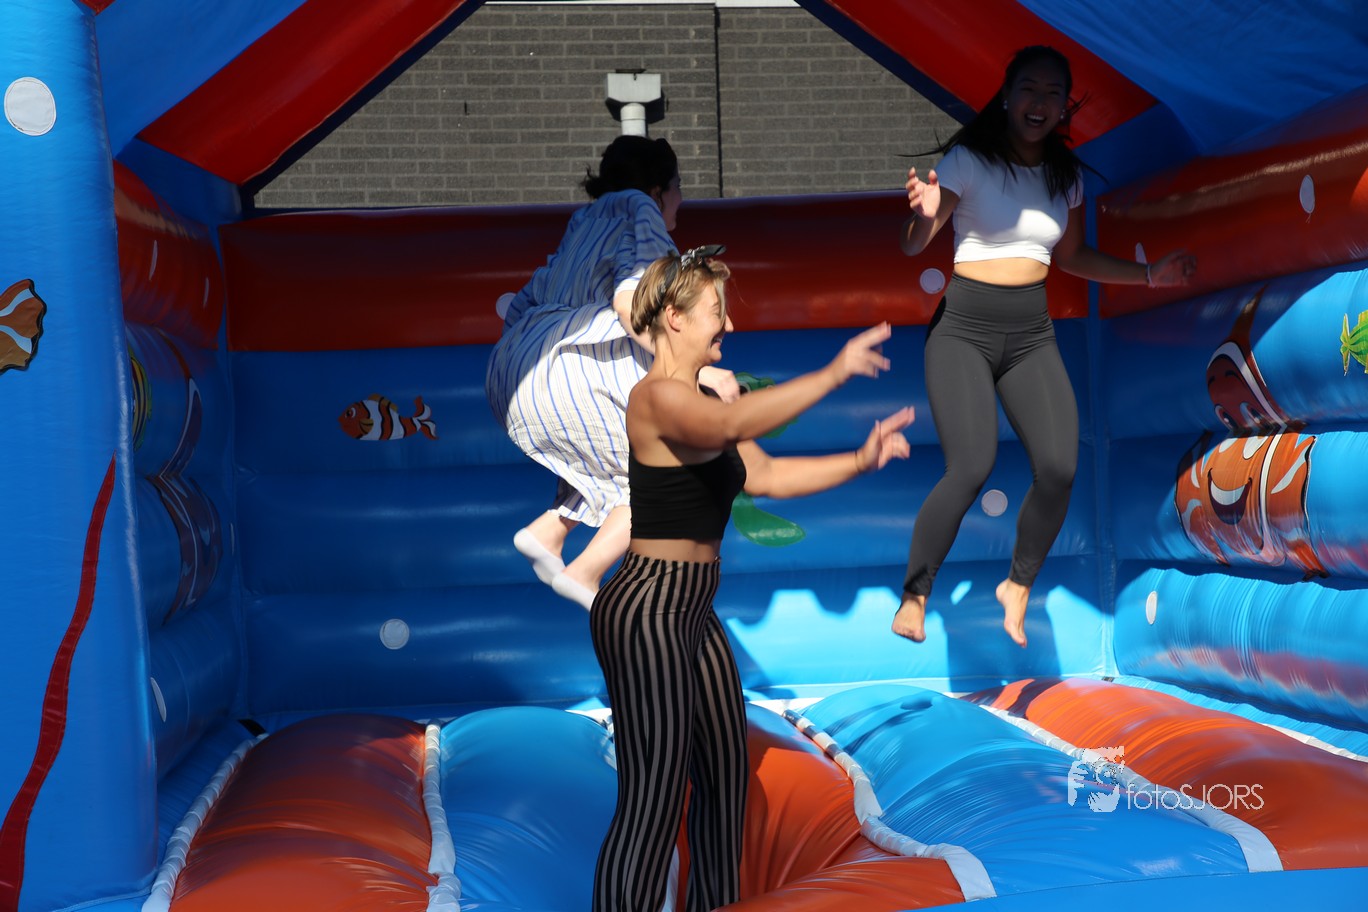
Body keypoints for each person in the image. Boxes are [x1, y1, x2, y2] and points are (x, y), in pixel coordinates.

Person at [590, 245, 914, 912]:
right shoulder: (656, 398)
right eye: (717, 311)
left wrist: (860, 459)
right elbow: (730, 423)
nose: (729, 325)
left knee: (724, 776)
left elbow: (764, 475)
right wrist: (834, 373)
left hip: (691, 609)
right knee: (654, 799)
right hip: (648, 607)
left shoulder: (706, 397)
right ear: (675, 318)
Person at [893, 45, 1195, 649]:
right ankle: (916, 594)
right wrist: (923, 216)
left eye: (1053, 93)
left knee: (1059, 468)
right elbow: (913, 244)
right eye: (1029, 89)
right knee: (971, 465)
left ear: (1064, 108)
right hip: (964, 327)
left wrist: (1147, 275)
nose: (1040, 102)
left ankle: (1018, 584)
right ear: (1007, 96)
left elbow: (1073, 256)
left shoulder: (1066, 176)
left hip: (1029, 330)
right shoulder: (969, 161)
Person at [486, 136, 738, 610]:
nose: (681, 199)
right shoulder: (642, 210)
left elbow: (523, 302)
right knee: (666, 467)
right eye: (678, 187)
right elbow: (629, 301)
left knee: (605, 461)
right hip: (574, 367)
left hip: (516, 369)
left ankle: (549, 532)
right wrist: (699, 374)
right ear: (659, 189)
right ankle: (585, 571)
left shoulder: (584, 221)